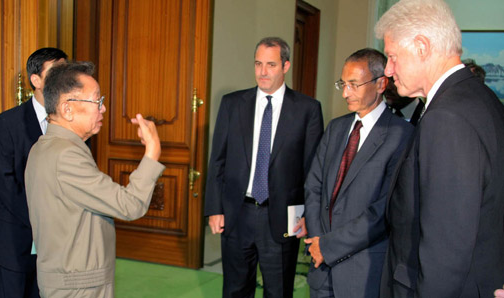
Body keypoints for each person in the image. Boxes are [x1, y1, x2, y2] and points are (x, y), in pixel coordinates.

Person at [375, 0, 504, 297]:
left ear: (421, 46)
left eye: (392, 56)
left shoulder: (447, 118)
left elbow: (446, 252)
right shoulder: (482, 98)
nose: (389, 69)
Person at [24, 61, 165, 297]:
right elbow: (130, 205)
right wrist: (152, 152)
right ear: (67, 109)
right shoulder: (66, 154)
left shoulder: (45, 146)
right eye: (96, 101)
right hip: (78, 284)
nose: (103, 109)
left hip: (67, 275)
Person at [204, 37, 323, 297]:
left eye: (270, 64)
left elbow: (313, 171)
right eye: (258, 64)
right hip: (238, 214)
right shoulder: (232, 104)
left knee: (278, 291)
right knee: (235, 290)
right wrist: (215, 209)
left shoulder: (308, 110)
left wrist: (309, 216)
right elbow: (218, 161)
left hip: (282, 217)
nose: (262, 71)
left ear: (286, 66)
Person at [303, 48, 413, 298]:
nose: (345, 93)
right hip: (320, 267)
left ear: (381, 83)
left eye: (354, 84)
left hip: (362, 272)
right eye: (343, 83)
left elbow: (383, 209)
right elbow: (314, 187)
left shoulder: (401, 136)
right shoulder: (336, 128)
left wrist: (329, 247)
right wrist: (318, 241)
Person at [0, 47, 67, 298]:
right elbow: (6, 183)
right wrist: (41, 221)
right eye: (57, 72)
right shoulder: (5, 123)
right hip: (16, 237)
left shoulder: (72, 124)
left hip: (59, 242)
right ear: (36, 80)